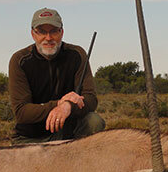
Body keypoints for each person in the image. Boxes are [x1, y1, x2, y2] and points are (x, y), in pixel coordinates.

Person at [8, 8, 105, 144]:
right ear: (33, 34)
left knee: (93, 121)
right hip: (31, 137)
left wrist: (68, 106)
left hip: (68, 131)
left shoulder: (77, 54)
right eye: (42, 32)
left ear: (62, 32)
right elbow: (21, 112)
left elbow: (90, 99)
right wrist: (59, 104)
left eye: (54, 31)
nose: (48, 38)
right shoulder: (19, 60)